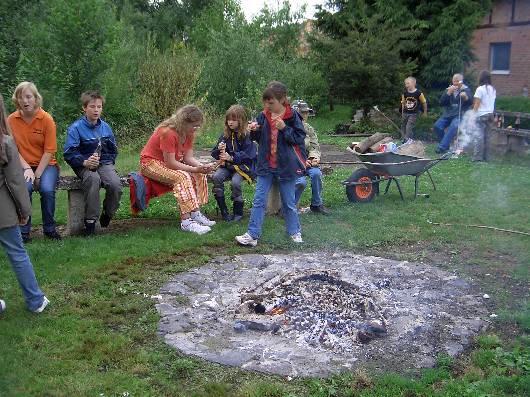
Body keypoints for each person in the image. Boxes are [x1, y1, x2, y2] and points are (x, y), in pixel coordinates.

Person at [235, 81, 306, 246]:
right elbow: (258, 139)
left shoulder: (292, 116)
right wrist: (254, 131)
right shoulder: (263, 115)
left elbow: (299, 138)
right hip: (266, 165)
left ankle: (294, 232)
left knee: (288, 203)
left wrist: (284, 128)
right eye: (266, 102)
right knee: (259, 201)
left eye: (271, 102)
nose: (267, 105)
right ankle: (252, 235)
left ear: (282, 100)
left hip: (286, 167)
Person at [0, 94, 49, 314]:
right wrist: (25, 211)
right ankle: (35, 301)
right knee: (17, 254)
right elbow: (15, 182)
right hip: (3, 213)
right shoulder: (5, 142)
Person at [140, 105, 217, 235]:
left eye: (198, 125)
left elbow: (188, 158)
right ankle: (186, 222)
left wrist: (201, 167)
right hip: (150, 164)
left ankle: (195, 212)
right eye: (194, 125)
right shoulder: (168, 133)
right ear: (184, 122)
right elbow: (171, 163)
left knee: (198, 174)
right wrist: (196, 168)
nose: (196, 128)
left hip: (166, 163)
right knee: (183, 176)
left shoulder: (189, 133)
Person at [7, 82, 61, 243]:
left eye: (29, 96)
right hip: (22, 164)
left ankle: (50, 229)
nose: (25, 101)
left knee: (46, 189)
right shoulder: (11, 120)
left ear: (36, 98)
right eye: (21, 97)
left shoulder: (46, 119)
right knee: (25, 188)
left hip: (47, 164)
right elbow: (13, 150)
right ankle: (24, 232)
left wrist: (37, 174)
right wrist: (26, 169)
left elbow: (49, 150)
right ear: (16, 100)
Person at [64, 91, 123, 235]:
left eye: (99, 106)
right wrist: (85, 162)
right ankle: (90, 222)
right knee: (93, 179)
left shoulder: (106, 128)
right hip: (84, 165)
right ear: (84, 108)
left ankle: (108, 213)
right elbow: (69, 153)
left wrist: (106, 163)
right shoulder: (76, 128)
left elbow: (112, 150)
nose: (96, 110)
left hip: (104, 164)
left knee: (115, 184)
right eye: (92, 106)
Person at [211, 105, 256, 221]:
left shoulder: (247, 135)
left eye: (234, 120)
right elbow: (215, 153)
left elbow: (249, 154)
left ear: (241, 120)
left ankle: (238, 212)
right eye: (228, 119)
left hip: (242, 167)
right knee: (216, 177)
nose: (230, 122)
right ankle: (224, 211)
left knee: (236, 182)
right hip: (227, 166)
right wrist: (220, 148)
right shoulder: (225, 134)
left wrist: (231, 157)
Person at [294, 102, 330, 215]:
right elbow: (288, 150)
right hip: (294, 163)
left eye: (306, 113)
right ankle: (289, 207)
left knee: (316, 174)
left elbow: (315, 146)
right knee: (300, 181)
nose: (305, 115)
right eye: (302, 113)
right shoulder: (289, 128)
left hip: (308, 162)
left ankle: (316, 204)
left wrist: (313, 158)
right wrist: (302, 161)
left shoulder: (308, 128)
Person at [433, 73, 472, 154]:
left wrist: (465, 97)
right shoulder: (449, 89)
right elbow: (441, 102)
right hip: (447, 115)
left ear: (461, 82)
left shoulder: (466, 90)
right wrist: (448, 93)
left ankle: (442, 147)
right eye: (454, 81)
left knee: (454, 126)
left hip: (459, 114)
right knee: (437, 126)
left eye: (457, 81)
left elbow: (470, 102)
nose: (455, 83)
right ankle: (445, 145)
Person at [472, 70, 496, 162]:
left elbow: (477, 104)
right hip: (490, 115)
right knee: (487, 137)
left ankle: (477, 158)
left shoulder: (480, 89)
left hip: (481, 115)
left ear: (480, 78)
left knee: (479, 137)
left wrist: (473, 115)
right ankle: (487, 158)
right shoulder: (493, 89)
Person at [400, 76, 427, 142]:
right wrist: (403, 112)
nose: (406, 85)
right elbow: (403, 103)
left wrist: (425, 112)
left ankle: (406, 140)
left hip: (414, 114)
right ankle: (406, 138)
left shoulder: (419, 93)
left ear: (413, 83)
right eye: (405, 84)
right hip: (406, 112)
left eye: (408, 83)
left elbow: (424, 103)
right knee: (403, 125)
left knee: (408, 126)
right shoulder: (404, 93)